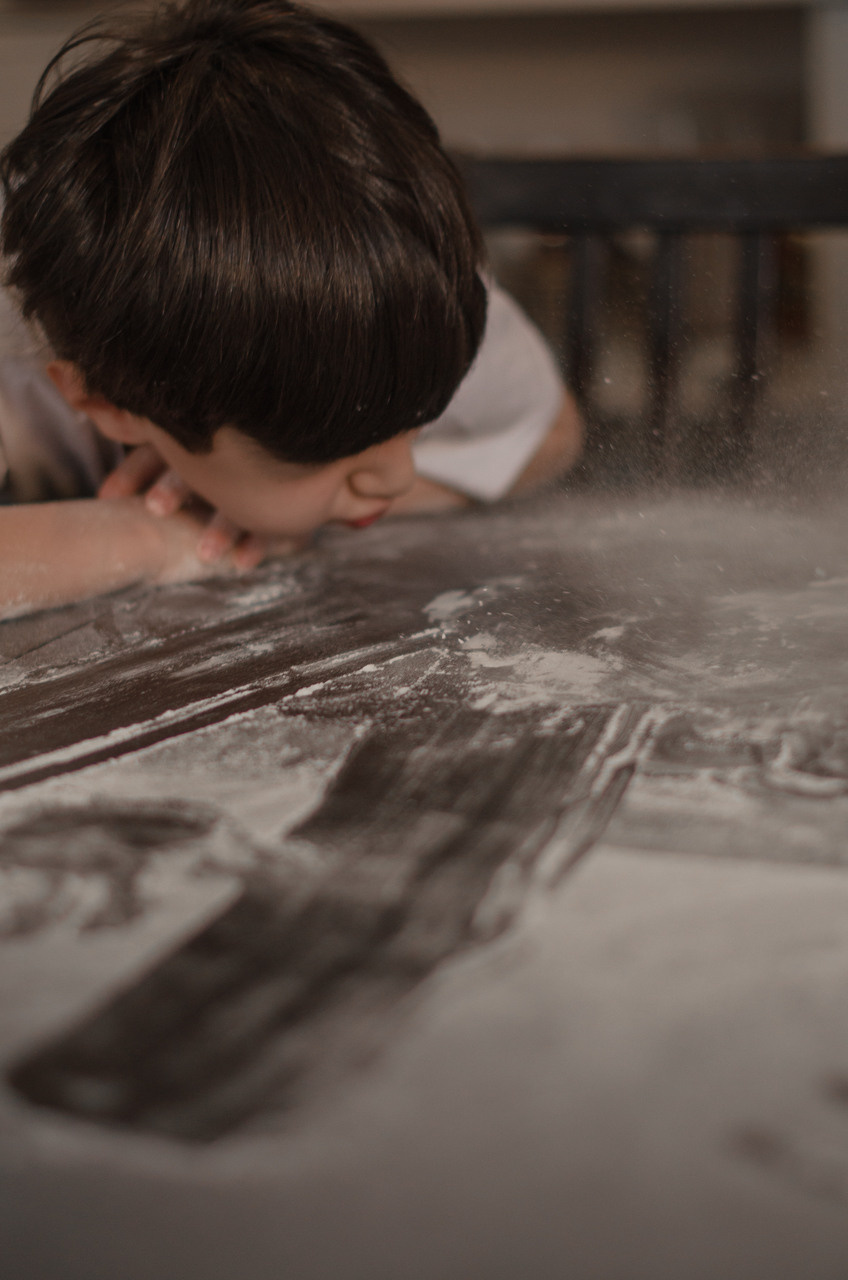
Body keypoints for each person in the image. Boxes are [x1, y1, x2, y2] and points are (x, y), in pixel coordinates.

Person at [0, 0, 581, 620]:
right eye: (324, 454)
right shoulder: (22, 359)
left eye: (416, 420)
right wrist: (147, 536)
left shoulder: (411, 296)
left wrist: (298, 510)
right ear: (106, 403)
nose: (396, 473)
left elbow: (552, 433)